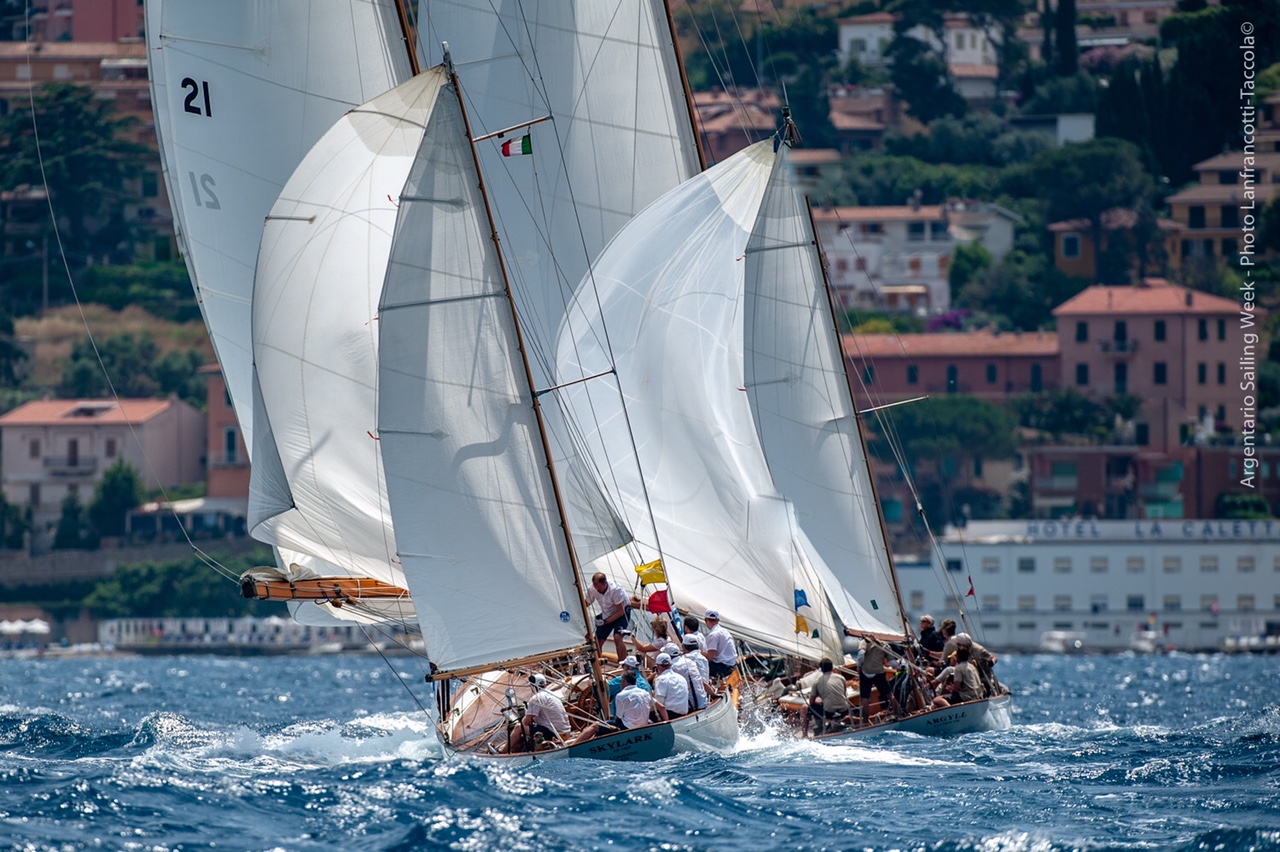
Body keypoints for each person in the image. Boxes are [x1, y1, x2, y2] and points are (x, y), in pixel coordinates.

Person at [572, 669, 655, 744]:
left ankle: (572, 746)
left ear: (625, 681)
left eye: (621, 681)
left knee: (596, 726)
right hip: (643, 724)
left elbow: (618, 717)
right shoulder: (645, 693)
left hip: (627, 727)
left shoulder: (621, 695)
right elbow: (658, 706)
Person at [851, 631, 902, 725]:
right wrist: (900, 666)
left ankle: (865, 722)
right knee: (889, 695)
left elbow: (861, 654)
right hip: (879, 673)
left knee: (865, 699)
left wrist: (859, 665)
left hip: (866, 673)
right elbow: (892, 663)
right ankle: (899, 714)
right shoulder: (884, 645)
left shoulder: (865, 642)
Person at [518, 672, 572, 752]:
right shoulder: (553, 694)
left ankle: (503, 752)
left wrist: (525, 717)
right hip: (566, 731)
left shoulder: (536, 698)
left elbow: (526, 722)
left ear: (533, 686)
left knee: (518, 727)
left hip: (554, 733)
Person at [586, 572, 631, 662]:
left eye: (600, 589)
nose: (598, 591)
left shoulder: (616, 590)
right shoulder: (592, 589)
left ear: (605, 583)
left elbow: (620, 611)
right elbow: (586, 603)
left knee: (617, 637)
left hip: (622, 612)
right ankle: (597, 665)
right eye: (596, 588)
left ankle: (623, 665)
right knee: (598, 641)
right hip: (607, 613)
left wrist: (605, 622)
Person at [807, 657, 853, 736]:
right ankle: (834, 724)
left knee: (811, 707)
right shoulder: (841, 677)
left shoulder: (817, 681)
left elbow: (811, 702)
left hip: (829, 712)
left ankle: (819, 728)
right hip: (844, 710)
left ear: (821, 669)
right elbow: (844, 694)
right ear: (832, 667)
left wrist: (821, 700)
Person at [670, 642, 709, 712]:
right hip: (703, 703)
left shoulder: (672, 668)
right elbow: (702, 682)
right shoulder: (690, 662)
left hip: (689, 708)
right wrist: (714, 694)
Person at [651, 652, 691, 719]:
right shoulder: (681, 677)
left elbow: (659, 702)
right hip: (683, 714)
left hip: (670, 715)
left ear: (657, 666)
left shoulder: (661, 679)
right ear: (671, 664)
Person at [702, 610, 739, 681]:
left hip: (722, 667)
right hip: (731, 665)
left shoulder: (713, 635)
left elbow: (710, 657)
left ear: (705, 620)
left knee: (695, 665)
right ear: (718, 620)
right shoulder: (725, 631)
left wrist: (699, 652)